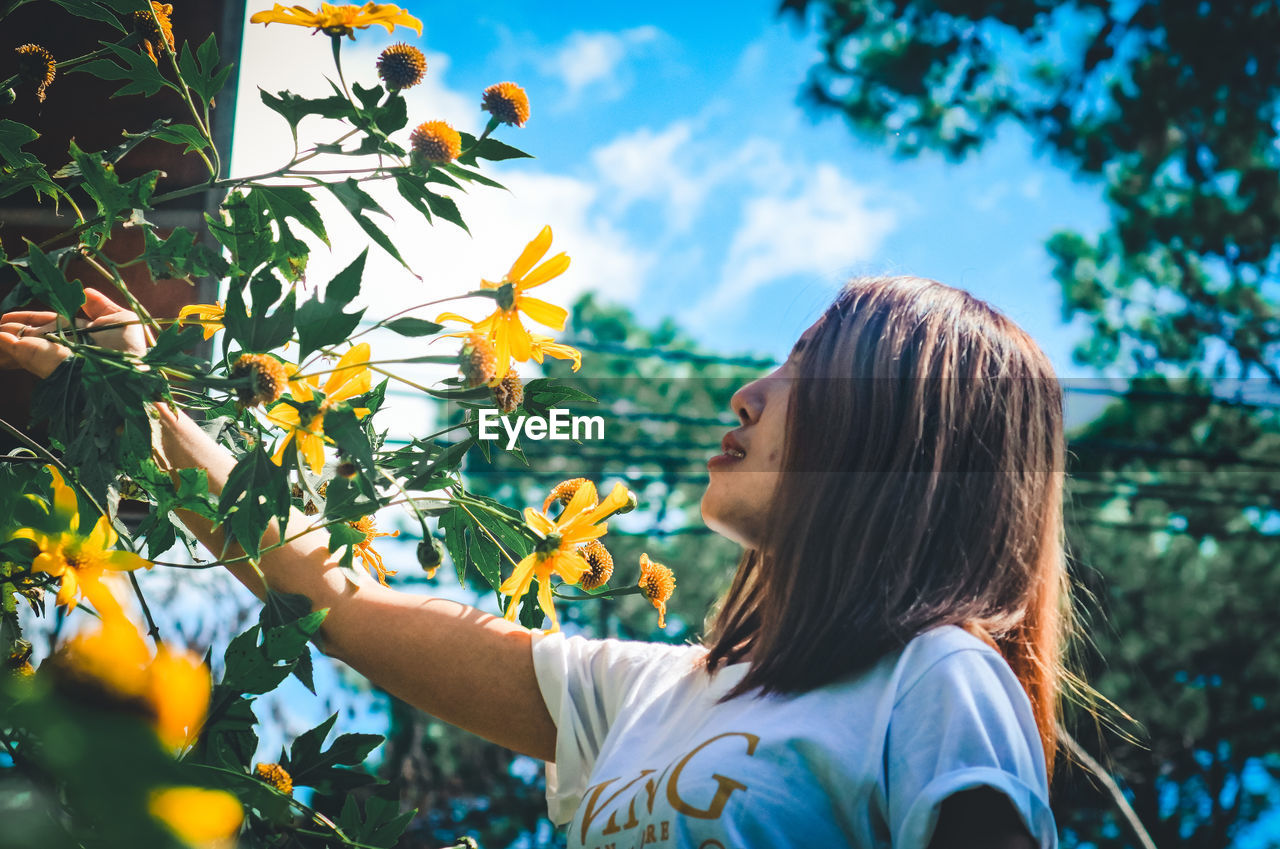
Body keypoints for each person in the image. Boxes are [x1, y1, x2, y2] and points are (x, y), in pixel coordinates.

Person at [0, 274, 1073, 848]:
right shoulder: (651, 694)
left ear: (906, 440)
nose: (748, 390)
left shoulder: (934, 678)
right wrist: (150, 415)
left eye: (807, 365)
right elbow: (333, 595)